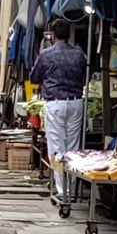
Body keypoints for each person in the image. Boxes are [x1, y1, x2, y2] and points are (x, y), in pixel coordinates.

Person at [28, 21, 86, 197]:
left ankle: (62, 190)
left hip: (55, 103)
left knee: (57, 145)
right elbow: (84, 75)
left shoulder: (46, 54)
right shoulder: (79, 54)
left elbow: (34, 77)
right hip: (76, 102)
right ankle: (73, 186)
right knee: (73, 147)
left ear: (53, 35)